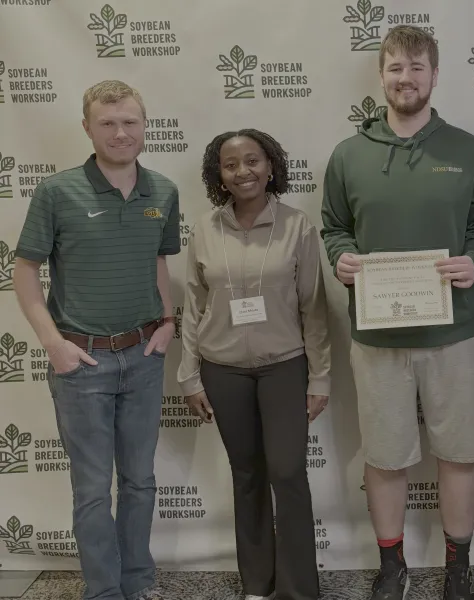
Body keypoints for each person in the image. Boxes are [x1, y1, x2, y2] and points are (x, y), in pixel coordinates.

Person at [320, 24, 474, 600]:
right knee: (386, 458)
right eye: (396, 67)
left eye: (417, 67)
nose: (406, 78)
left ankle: (457, 572)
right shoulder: (348, 155)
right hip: (378, 337)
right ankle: (392, 568)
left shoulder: (468, 150)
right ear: (382, 75)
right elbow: (333, 228)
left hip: (453, 334)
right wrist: (340, 257)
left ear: (434, 75)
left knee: (460, 453)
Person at [12, 80, 178, 600]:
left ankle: (138, 584)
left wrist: (169, 321)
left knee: (140, 483)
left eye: (130, 121)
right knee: (91, 492)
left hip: (144, 356)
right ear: (87, 128)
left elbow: (159, 263)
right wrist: (52, 344)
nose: (120, 132)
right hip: (81, 362)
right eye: (107, 123)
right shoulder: (57, 191)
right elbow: (24, 271)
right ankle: (103, 593)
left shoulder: (164, 192)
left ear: (145, 125)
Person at [177, 128, 330, 600]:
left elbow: (314, 307)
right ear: (218, 175)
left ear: (270, 166)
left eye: (252, 160)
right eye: (230, 164)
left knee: (287, 472)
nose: (243, 171)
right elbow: (193, 307)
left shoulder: (297, 226)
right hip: (222, 369)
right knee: (247, 476)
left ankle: (300, 589)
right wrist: (189, 375)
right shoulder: (205, 229)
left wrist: (320, 375)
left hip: (284, 366)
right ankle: (257, 586)